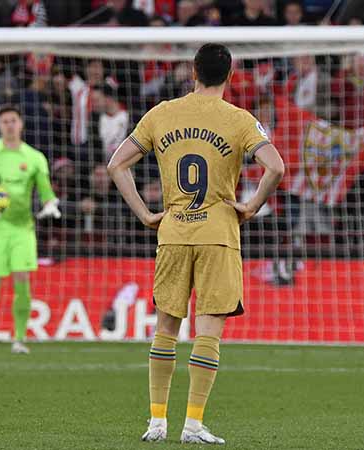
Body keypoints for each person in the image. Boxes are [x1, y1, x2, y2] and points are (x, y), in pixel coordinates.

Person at [107, 43, 284, 444]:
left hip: (173, 231)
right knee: (209, 332)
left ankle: (156, 421)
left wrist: (145, 213)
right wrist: (252, 205)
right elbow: (276, 166)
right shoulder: (240, 120)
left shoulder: (161, 114)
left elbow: (116, 164)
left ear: (193, 72)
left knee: (166, 327)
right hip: (218, 235)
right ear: (231, 75)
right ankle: (192, 424)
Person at [0, 105, 60, 354]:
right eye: (4, 121)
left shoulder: (34, 157)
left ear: (21, 124)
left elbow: (46, 190)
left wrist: (50, 204)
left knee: (23, 283)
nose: (9, 125)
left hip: (22, 229)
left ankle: (18, 338)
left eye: (13, 120)